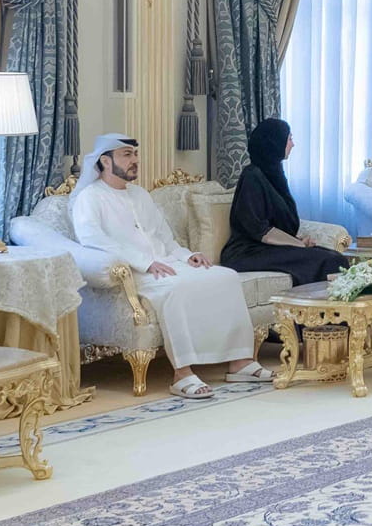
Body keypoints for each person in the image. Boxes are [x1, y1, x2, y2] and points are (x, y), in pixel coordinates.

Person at [70, 134, 272, 398]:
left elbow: (164, 237)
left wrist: (187, 256)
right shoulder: (90, 197)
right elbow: (93, 241)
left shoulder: (140, 195)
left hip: (167, 263)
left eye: (135, 154)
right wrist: (144, 262)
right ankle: (182, 374)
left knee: (227, 277)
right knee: (175, 290)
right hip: (135, 272)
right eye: (126, 155)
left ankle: (240, 363)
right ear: (105, 161)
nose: (134, 160)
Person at [220, 118, 349, 284]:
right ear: (275, 142)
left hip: (268, 248)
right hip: (246, 253)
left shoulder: (275, 174)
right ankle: (317, 301)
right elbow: (260, 230)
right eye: (289, 139)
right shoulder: (252, 176)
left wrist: (297, 241)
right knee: (329, 261)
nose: (293, 144)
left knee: (335, 257)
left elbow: (279, 224)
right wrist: (298, 245)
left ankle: (329, 300)